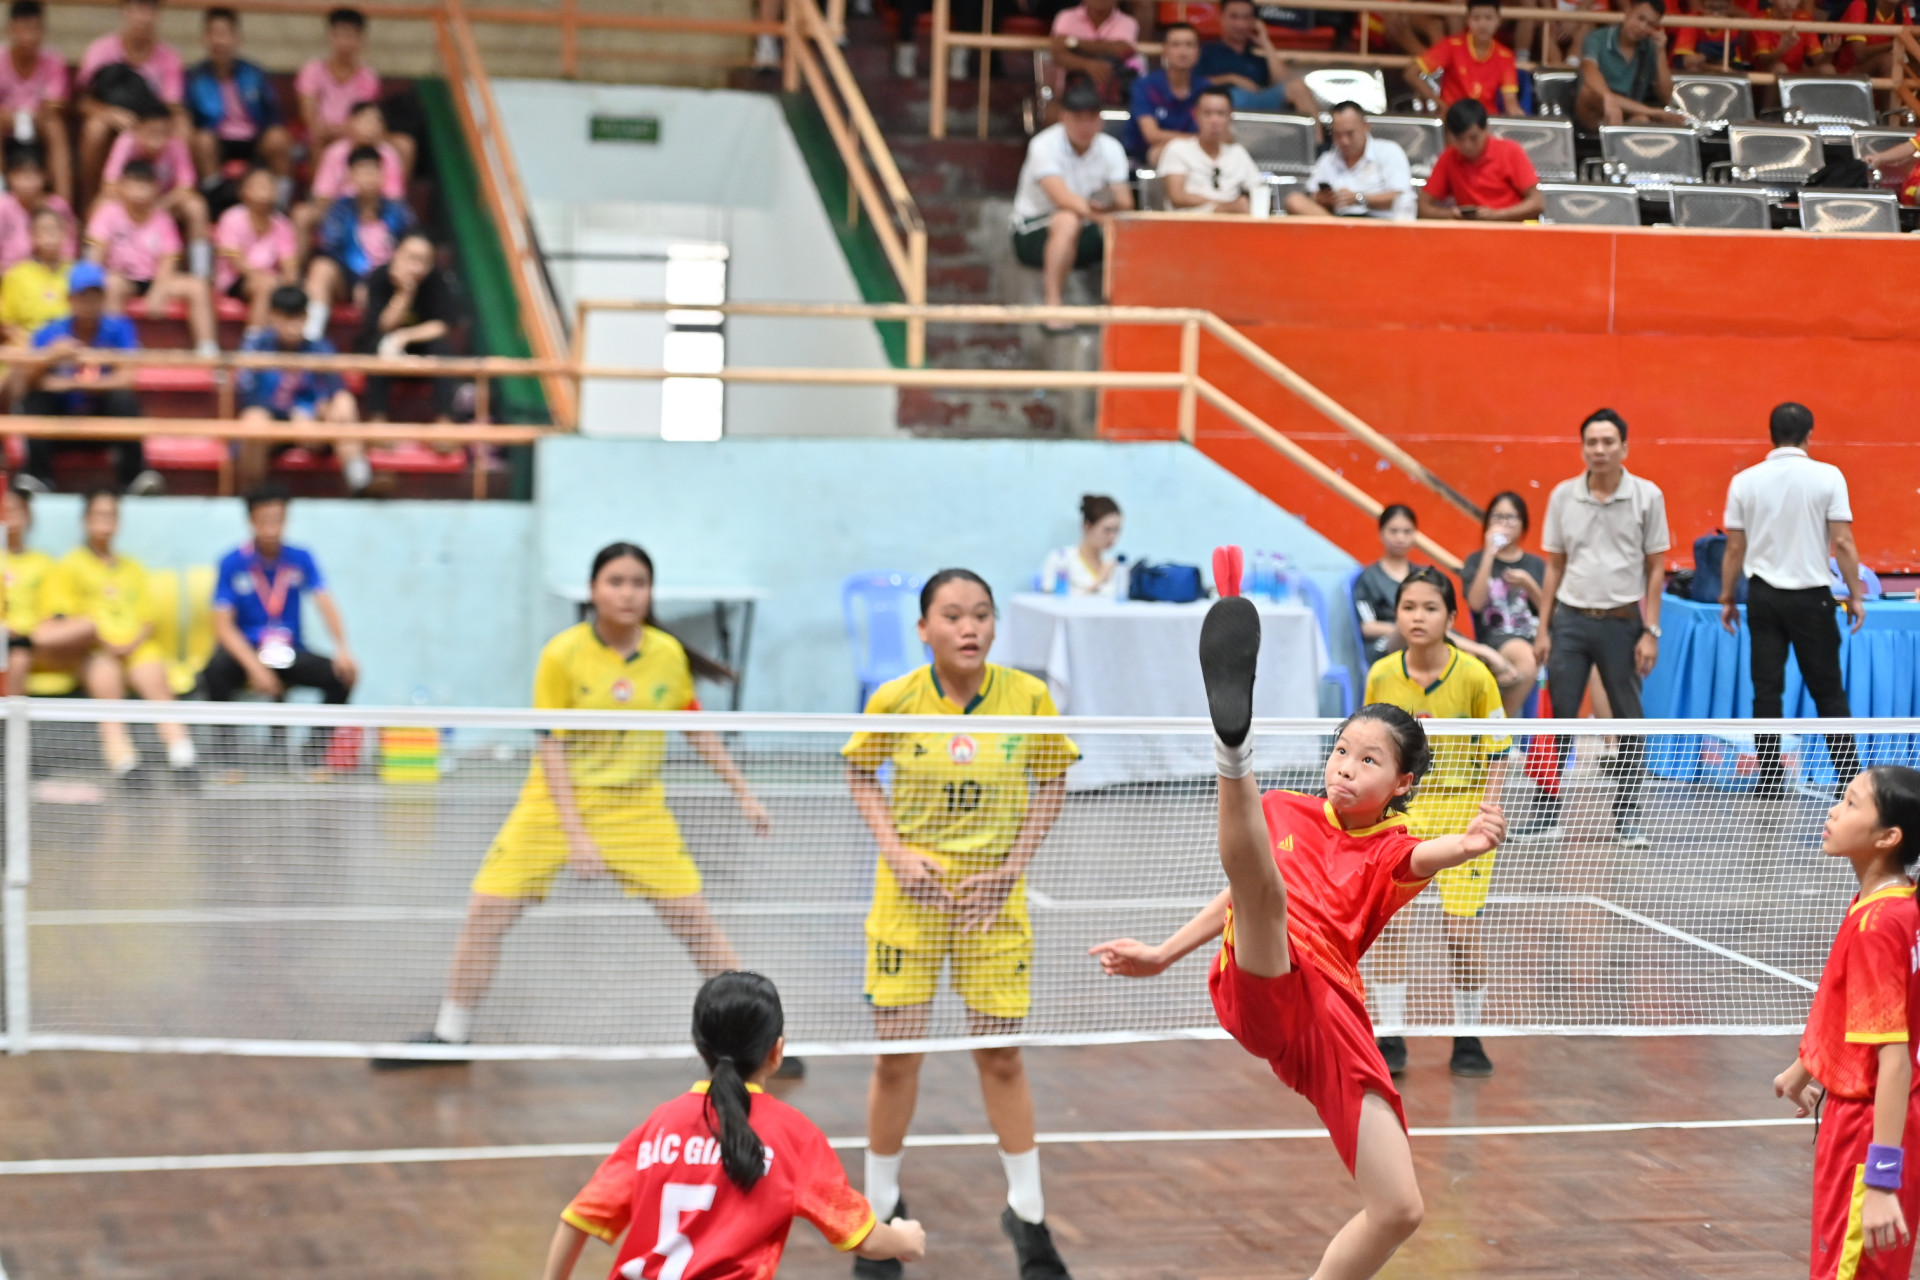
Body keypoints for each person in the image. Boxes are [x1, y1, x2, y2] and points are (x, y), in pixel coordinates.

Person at [1091, 579, 1505, 1280]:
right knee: (1265, 898)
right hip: (1262, 981)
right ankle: (1234, 753)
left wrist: (1466, 844)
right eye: (1342, 751)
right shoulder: (1285, 811)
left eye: (1369, 761)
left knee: (1400, 1209)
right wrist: (1163, 955)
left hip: (1332, 1020)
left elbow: (1422, 854)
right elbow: (1241, 895)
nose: (1345, 767)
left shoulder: (1391, 850)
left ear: (1402, 785)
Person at [375, 543, 773, 1067]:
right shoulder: (561, 654)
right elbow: (550, 747)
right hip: (553, 805)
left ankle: (753, 1044)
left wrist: (742, 792)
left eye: (638, 583)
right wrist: (577, 834)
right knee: (486, 913)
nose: (627, 593)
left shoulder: (666, 654)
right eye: (615, 581)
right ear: (593, 591)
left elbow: (694, 725)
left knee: (695, 922)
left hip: (637, 810)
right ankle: (451, 1036)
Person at [842, 568, 1080, 1280]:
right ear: (924, 629)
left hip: (992, 903)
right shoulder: (895, 699)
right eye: (951, 615)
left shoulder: (1027, 698)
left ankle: (1029, 1214)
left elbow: (1053, 780)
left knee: (1002, 1056)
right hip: (908, 902)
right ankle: (879, 1211)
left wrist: (1011, 868)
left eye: (981, 614)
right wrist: (895, 850)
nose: (968, 627)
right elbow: (859, 773)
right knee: (897, 1059)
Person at [541, 972, 929, 1280]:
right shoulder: (793, 1135)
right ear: (776, 1051)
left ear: (698, 1045)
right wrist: (906, 1240)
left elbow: (578, 1219)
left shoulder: (660, 1124)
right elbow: (862, 1237)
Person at [1362, 568, 1514, 1079]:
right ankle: (1389, 1035)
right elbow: (1370, 749)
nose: (1418, 617)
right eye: (1409, 607)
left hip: (1465, 811)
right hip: (1405, 813)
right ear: (1397, 615)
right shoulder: (1383, 673)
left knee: (1459, 931)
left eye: (1430, 608)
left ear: (1451, 617)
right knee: (1392, 924)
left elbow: (1498, 750)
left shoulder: (1474, 675)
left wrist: (1487, 813)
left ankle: (1468, 1037)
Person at [1773, 767, 1920, 1280]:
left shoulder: (1879, 927)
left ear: (1888, 837)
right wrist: (1805, 1069)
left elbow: (1894, 1059)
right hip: (1871, 1121)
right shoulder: (1889, 903)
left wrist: (1881, 1180)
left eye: (1852, 803)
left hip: (1869, 1133)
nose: (1834, 809)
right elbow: (1849, 1005)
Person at [1535, 408, 1671, 848]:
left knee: (1630, 721)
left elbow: (1655, 569)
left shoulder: (1648, 496)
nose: (1599, 450)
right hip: (1570, 621)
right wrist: (1543, 629)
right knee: (1558, 719)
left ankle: (1627, 816)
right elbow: (1554, 566)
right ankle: (1546, 813)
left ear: (1624, 448)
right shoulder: (1561, 496)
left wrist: (1651, 630)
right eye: (1591, 442)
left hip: (1623, 623)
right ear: (1583, 448)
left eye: (1608, 442)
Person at [1719, 402, 1864, 798]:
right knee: (1828, 690)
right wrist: (1855, 594)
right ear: (1809, 435)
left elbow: (1734, 549)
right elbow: (1844, 541)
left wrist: (1728, 596)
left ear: (1771, 435)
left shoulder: (1745, 481)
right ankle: (1850, 781)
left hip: (1763, 598)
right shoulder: (1828, 476)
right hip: (1812, 600)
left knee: (1766, 690)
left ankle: (1769, 781)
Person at [41, 488, 198, 779]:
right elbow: (64, 618)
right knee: (107, 683)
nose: (105, 521)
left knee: (155, 679)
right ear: (85, 521)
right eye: (99, 515)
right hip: (94, 650)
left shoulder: (133, 568)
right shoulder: (69, 566)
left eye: (111, 515)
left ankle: (183, 755)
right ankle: (125, 763)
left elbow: (147, 617)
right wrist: (104, 642)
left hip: (136, 647)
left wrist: (132, 643)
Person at [202, 484, 356, 768]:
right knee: (215, 671)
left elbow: (325, 602)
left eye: (278, 519)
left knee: (342, 675)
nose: (271, 527)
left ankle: (313, 756)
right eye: (264, 519)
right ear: (251, 520)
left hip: (287, 650)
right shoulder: (232, 562)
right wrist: (254, 668)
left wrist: (343, 648)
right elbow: (223, 627)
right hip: (249, 650)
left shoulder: (300, 558)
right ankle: (226, 759)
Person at [12, 261, 161, 495]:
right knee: (35, 401)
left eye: (95, 296)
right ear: (70, 299)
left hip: (102, 419)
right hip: (61, 422)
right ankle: (38, 476)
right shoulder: (50, 333)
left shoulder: (119, 328)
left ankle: (135, 477)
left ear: (103, 299)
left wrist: (75, 384)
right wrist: (50, 357)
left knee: (123, 399)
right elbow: (25, 384)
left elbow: (127, 378)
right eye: (83, 296)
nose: (89, 304)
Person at [1009, 80, 1132, 320]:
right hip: (1033, 231)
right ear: (1064, 118)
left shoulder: (1111, 148)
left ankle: (1125, 312)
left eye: (1091, 118)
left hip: (1088, 225)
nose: (1085, 126)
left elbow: (1125, 200)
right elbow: (1062, 198)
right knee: (1068, 219)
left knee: (1129, 227)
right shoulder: (1043, 145)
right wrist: (1101, 218)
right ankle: (1053, 306)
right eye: (1078, 118)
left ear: (1101, 120)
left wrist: (1107, 201)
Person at [234, 285, 368, 496]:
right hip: (273, 426)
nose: (292, 326)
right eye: (286, 318)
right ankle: (254, 495)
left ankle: (360, 481)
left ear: (306, 317)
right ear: (272, 316)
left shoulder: (320, 347)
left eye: (298, 318)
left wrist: (328, 404)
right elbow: (249, 395)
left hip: (312, 426)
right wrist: (290, 415)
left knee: (344, 404)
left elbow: (336, 386)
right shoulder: (256, 346)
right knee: (254, 419)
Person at [86, 159, 218, 356]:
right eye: (134, 184)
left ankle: (207, 350)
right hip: (121, 278)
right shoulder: (108, 212)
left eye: (145, 186)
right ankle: (117, 348)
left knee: (197, 287)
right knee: (112, 285)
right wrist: (93, 282)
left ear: (156, 188)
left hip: (154, 278)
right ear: (121, 186)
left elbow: (169, 258)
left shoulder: (162, 217)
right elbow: (95, 254)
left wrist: (159, 289)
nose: (139, 192)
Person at [77, 0, 186, 208]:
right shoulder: (100, 49)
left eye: (150, 9)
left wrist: (143, 127)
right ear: (124, 11)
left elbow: (171, 107)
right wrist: (109, 113)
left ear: (158, 14)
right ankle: (89, 205)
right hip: (111, 120)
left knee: (184, 127)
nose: (143, 16)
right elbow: (82, 101)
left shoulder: (169, 57)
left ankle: (170, 205)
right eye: (137, 8)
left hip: (152, 126)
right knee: (95, 128)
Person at [303, 144, 414, 339]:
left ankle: (387, 341)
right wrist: (359, 282)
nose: (369, 178)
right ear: (351, 177)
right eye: (363, 172)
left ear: (383, 175)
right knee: (321, 268)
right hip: (348, 278)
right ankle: (311, 336)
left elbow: (410, 246)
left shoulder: (399, 212)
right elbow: (330, 248)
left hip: (387, 280)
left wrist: (375, 281)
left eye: (374, 171)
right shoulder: (339, 210)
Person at [101, 99, 212, 283]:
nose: (158, 139)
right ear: (138, 128)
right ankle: (102, 270)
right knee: (103, 203)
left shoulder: (176, 144)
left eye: (163, 133)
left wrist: (159, 205)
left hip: (164, 204)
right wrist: (136, 201)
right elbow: (110, 185)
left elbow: (187, 186)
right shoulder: (126, 142)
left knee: (196, 206)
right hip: (129, 203)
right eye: (151, 132)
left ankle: (202, 272)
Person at [297, 8, 414, 177]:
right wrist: (324, 129)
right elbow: (309, 115)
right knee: (319, 140)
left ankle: (393, 199)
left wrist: (347, 130)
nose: (346, 42)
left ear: (361, 40)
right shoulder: (312, 70)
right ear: (331, 36)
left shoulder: (368, 77)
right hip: (321, 134)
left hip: (357, 134)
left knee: (404, 145)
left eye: (351, 36)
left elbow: (365, 114)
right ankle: (319, 198)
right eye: (341, 35)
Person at [1460, 491, 1547, 719]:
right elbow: (1476, 604)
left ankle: (1495, 730)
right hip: (1496, 638)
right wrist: (1489, 554)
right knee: (1528, 660)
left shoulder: (1535, 564)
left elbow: (1550, 612)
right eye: (1497, 518)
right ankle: (1500, 730)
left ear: (1523, 524)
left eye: (1511, 518)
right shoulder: (1476, 560)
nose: (1504, 524)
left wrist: (1529, 584)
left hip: (1535, 636)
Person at [356, 230, 458, 422]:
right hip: (385, 353)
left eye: (424, 260)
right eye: (411, 258)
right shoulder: (379, 277)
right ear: (396, 254)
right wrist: (406, 292)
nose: (416, 266)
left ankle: (444, 421)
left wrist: (404, 336)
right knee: (376, 345)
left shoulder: (437, 281)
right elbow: (383, 325)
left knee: (442, 348)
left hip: (419, 350)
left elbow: (442, 325)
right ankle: (378, 418)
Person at [184, 8, 292, 188]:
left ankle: (280, 200)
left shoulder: (254, 73)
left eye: (225, 34)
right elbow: (189, 116)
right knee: (202, 140)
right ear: (205, 38)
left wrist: (273, 132)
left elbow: (274, 113)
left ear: (236, 38)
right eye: (214, 34)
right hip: (217, 140)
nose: (219, 41)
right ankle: (214, 196)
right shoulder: (195, 78)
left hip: (254, 139)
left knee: (278, 138)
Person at [1285, 101, 1415, 220]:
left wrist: (1359, 198)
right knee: (1294, 200)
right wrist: (1322, 199)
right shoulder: (1328, 158)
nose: (1344, 141)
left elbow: (1401, 196)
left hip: (1379, 222)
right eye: (1337, 134)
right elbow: (1311, 194)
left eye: (1350, 133)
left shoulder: (1389, 151)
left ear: (1366, 126)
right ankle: (1340, 231)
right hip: (1335, 220)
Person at [1418, 98, 1544, 221]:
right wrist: (1451, 214)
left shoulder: (1510, 151)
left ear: (1486, 129)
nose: (1467, 146)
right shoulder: (1448, 157)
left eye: (1474, 138)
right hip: (1469, 233)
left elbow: (1537, 203)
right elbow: (1423, 208)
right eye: (1460, 139)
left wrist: (1496, 215)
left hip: (1510, 230)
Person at [0, 1, 71, 205]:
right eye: (24, 28)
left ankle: (63, 204)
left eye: (36, 28)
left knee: (55, 127)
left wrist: (25, 117)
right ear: (11, 29)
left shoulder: (54, 60)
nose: (30, 36)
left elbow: (54, 107)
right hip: (6, 125)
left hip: (39, 124)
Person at [1574, 0, 1685, 130]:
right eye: (1640, 18)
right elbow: (1589, 70)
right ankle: (1650, 112)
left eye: (1650, 25)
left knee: (1641, 119)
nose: (1643, 27)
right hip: (1594, 111)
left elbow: (1666, 97)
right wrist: (1608, 98)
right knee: (1589, 91)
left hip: (1629, 113)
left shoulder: (1649, 46)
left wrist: (1660, 52)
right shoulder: (1597, 37)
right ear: (1628, 12)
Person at [1197, 0, 1318, 117]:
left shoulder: (1257, 59)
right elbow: (1193, 82)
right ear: (1221, 17)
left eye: (1246, 18)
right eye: (1234, 17)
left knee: (1298, 87)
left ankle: (1318, 138)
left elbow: (1283, 82)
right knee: (1233, 96)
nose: (1241, 24)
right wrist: (1232, 79)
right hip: (1225, 103)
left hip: (1259, 103)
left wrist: (1266, 42)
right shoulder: (1206, 51)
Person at [213, 165, 297, 330]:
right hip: (236, 279)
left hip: (274, 281)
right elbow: (236, 261)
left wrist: (288, 283)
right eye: (257, 185)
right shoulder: (231, 218)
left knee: (291, 292)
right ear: (243, 191)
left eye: (269, 184)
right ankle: (254, 342)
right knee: (264, 287)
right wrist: (265, 279)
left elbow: (289, 264)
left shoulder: (283, 225)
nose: (264, 189)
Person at [1157, 88, 1262, 213]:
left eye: (1221, 113)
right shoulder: (1177, 148)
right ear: (1195, 115)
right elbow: (1177, 197)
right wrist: (1224, 207)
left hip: (1232, 226)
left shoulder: (1237, 153)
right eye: (1207, 113)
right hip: (1186, 226)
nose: (1214, 121)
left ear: (1230, 117)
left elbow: (1259, 191)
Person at [1410, 0, 1522, 115]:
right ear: (1467, 20)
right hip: (1454, 118)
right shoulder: (1451, 45)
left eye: (1488, 18)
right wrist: (1440, 104)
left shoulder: (1506, 56)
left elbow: (1510, 102)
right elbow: (1411, 73)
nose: (1482, 24)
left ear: (1498, 21)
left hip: (1486, 119)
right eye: (1476, 18)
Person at [1125, 22, 1207, 165]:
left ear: (1198, 52)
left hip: (1196, 154)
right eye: (1176, 45)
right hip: (1146, 156)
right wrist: (1200, 140)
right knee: (1166, 153)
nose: (1183, 52)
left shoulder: (1206, 89)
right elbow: (1152, 135)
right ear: (1165, 50)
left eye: (1189, 45)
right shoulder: (1145, 86)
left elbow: (1223, 134)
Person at [1352, 504, 1422, 665]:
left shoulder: (1423, 575)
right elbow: (1368, 626)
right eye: (1394, 531)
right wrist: (1408, 631)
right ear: (1381, 533)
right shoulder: (1368, 578)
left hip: (1424, 638)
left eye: (1407, 532)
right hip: (1384, 645)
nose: (1400, 538)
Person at [305, 99, 405, 204]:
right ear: (351, 122)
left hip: (379, 211)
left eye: (376, 121)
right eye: (366, 121)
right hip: (339, 210)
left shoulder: (389, 154)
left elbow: (394, 196)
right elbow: (322, 193)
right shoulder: (334, 152)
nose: (371, 127)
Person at [1047, 0, 1143, 105]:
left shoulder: (1128, 22)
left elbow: (1123, 48)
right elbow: (1058, 54)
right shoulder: (1066, 17)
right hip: (1067, 98)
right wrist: (1087, 65)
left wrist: (1074, 43)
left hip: (1115, 95)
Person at [0, 142, 75, 275]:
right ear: (9, 177)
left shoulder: (58, 206)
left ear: (44, 176)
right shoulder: (3, 206)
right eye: (20, 175)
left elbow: (69, 249)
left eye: (33, 175)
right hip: (10, 276)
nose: (26, 182)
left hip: (53, 273)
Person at [0, 206, 71, 344]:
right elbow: (8, 324)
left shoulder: (76, 272)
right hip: (29, 349)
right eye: (44, 230)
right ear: (32, 236)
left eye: (54, 229)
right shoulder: (16, 275)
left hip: (69, 348)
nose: (50, 235)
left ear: (64, 234)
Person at [1039, 493, 1124, 596]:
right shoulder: (1061, 558)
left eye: (1117, 530)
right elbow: (1050, 598)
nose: (1112, 537)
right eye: (1107, 530)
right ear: (1087, 526)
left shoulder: (1113, 566)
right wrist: (1098, 582)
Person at [1671, 0, 1749, 73]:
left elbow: (1734, 65)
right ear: (1702, 7)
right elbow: (1687, 62)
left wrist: (1704, 60)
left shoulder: (1732, 28)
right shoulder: (1691, 22)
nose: (1716, 14)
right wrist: (1718, 68)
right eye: (1711, 8)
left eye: (1720, 9)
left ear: (1729, 8)